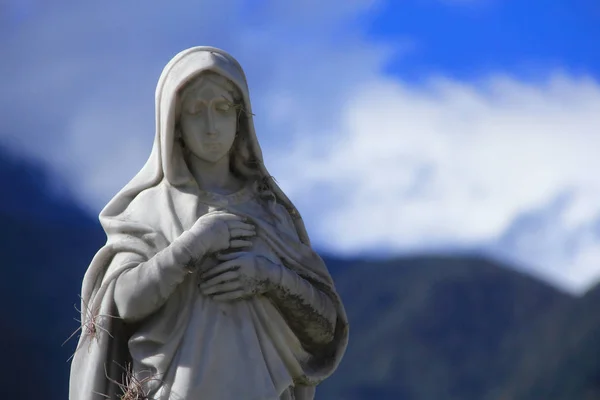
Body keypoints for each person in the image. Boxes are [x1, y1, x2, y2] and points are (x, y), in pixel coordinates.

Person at [69, 46, 348, 400]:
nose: (212, 126)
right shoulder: (150, 208)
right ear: (176, 124)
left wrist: (269, 277)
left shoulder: (271, 211)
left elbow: (324, 329)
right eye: (196, 112)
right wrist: (191, 246)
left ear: (241, 118)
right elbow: (122, 304)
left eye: (222, 109)